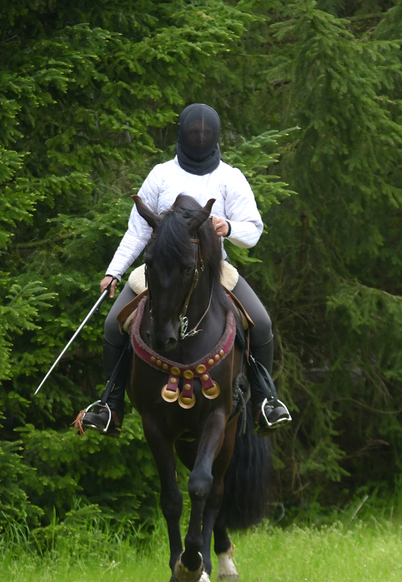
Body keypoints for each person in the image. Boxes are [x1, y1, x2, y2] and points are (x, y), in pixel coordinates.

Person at [82, 103, 291, 435]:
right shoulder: (161, 174)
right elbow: (137, 230)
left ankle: (264, 403)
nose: (200, 137)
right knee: (112, 325)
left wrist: (229, 228)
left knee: (262, 324)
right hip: (162, 270)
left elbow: (253, 230)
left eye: (205, 133)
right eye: (194, 132)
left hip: (213, 269)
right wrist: (114, 271)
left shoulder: (229, 177)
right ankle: (111, 405)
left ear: (215, 136)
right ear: (183, 133)